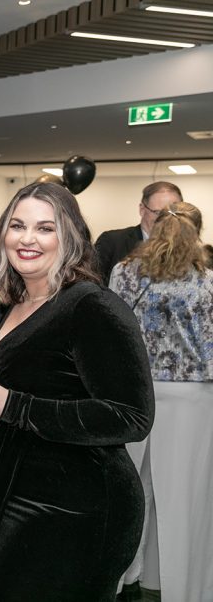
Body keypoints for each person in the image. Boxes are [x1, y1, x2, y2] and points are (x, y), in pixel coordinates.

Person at [0, 181, 154, 601]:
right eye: (17, 226)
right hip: (14, 489)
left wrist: (12, 406)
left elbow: (131, 416)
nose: (27, 239)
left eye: (45, 228)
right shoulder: (17, 301)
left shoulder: (92, 306)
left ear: (70, 237)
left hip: (76, 505)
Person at [110, 202, 213, 602]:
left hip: (137, 392)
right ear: (195, 235)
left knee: (132, 489)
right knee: (186, 497)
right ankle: (181, 587)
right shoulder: (206, 281)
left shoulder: (124, 273)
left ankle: (121, 578)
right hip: (193, 398)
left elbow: (112, 330)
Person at [95, 181, 182, 284]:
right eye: (158, 212)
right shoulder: (112, 242)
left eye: (173, 213)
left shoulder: (188, 248)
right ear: (142, 210)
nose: (166, 219)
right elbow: (93, 284)